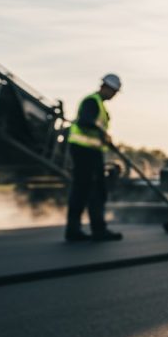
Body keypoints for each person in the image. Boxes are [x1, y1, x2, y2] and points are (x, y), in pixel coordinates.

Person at [65, 74, 122, 242]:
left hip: (92, 152)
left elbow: (94, 127)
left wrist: (106, 140)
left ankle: (95, 229)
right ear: (106, 87)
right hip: (83, 151)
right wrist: (102, 133)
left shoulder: (100, 105)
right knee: (84, 190)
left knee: (95, 191)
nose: (114, 95)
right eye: (113, 91)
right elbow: (85, 122)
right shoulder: (91, 101)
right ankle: (77, 230)